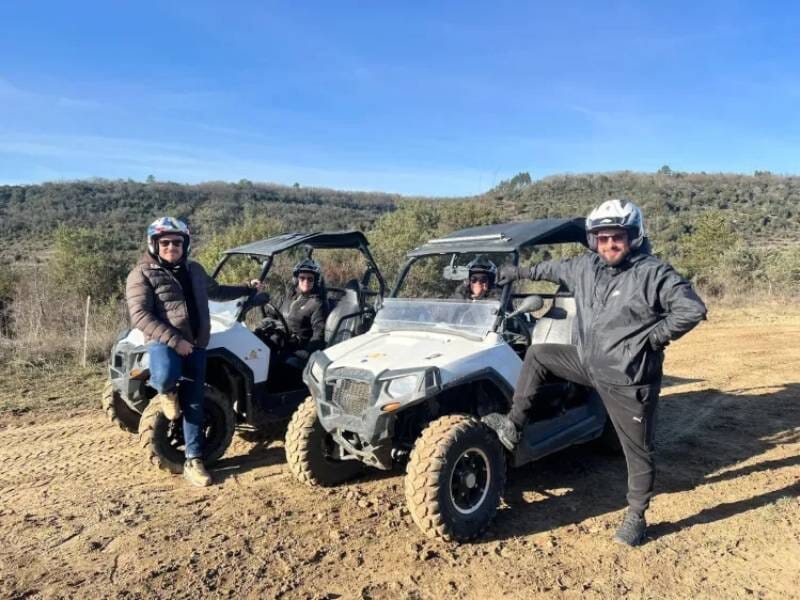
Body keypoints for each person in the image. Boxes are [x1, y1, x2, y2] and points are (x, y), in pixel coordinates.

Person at [483, 199, 707, 546]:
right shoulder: (586, 267)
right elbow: (550, 270)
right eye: (602, 238)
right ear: (594, 240)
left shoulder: (652, 273)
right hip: (587, 364)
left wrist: (652, 340)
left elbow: (691, 309)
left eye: (617, 237)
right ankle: (514, 425)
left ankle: (636, 516)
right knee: (539, 354)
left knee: (638, 452)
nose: (609, 245)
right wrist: (514, 273)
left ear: (633, 236)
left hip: (628, 378)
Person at [126, 217, 260, 487]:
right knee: (165, 377)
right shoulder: (141, 273)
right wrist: (176, 341)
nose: (171, 247)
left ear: (185, 244)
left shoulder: (195, 270)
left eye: (177, 242)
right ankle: (167, 393)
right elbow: (140, 315)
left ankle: (194, 459)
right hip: (164, 342)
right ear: (154, 244)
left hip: (197, 344)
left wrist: (247, 287)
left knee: (195, 402)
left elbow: (217, 291)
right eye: (165, 242)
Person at [277, 258, 328, 371]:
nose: (306, 281)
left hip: (299, 347)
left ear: (315, 281)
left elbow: (319, 333)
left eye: (310, 279)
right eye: (302, 278)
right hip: (283, 340)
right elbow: (276, 312)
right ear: (296, 279)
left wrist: (307, 352)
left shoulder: (317, 303)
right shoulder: (291, 296)